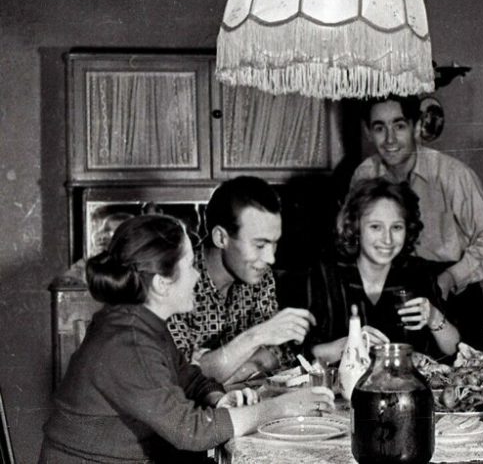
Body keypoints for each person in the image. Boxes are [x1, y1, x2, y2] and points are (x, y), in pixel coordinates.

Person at [40, 215, 333, 464]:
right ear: (162, 283)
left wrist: (219, 399)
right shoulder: (128, 341)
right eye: (191, 266)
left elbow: (187, 378)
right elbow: (190, 431)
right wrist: (281, 407)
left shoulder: (139, 322)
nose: (197, 277)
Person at [351, 95, 483, 347]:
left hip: (451, 293)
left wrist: (450, 278)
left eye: (399, 126)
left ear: (416, 127)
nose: (390, 139)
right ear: (368, 132)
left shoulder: (453, 174)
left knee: (463, 366)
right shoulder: (364, 174)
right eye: (380, 128)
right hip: (395, 292)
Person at [167, 176, 316, 384]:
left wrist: (226, 370)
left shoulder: (259, 275)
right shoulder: (173, 281)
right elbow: (179, 377)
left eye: (274, 244)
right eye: (260, 245)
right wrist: (255, 337)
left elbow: (278, 355)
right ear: (221, 238)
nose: (270, 258)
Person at [302, 179, 460, 364]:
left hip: (407, 381)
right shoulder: (325, 274)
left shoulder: (419, 273)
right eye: (376, 227)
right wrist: (349, 344)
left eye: (396, 227)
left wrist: (434, 317)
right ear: (355, 228)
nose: (388, 239)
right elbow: (305, 354)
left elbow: (455, 349)